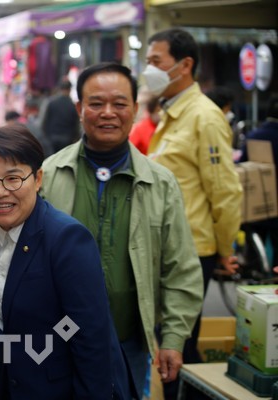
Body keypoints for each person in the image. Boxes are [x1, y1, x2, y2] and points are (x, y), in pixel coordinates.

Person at [40, 62, 203, 399]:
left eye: (119, 103)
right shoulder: (49, 174)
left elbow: (181, 267)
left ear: (134, 108)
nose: (108, 113)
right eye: (96, 103)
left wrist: (173, 338)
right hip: (56, 337)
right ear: (79, 109)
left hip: (129, 340)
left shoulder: (160, 183)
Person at [0, 124, 132, 399]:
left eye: (13, 178)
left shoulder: (66, 239)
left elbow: (90, 339)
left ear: (38, 178)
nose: (0, 192)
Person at [145, 28, 242, 395]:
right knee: (173, 342)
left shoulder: (204, 116)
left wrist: (225, 249)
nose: (149, 69)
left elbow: (225, 190)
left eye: (156, 61)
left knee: (177, 343)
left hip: (192, 249)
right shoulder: (173, 114)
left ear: (184, 65)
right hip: (169, 244)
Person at [239, 96, 278, 266]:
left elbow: (243, 165)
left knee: (255, 244)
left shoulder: (254, 135)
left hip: (258, 204)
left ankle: (252, 273)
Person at [41, 79, 81, 153]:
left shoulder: (52, 103)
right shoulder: (72, 106)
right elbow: (76, 126)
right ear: (70, 89)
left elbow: (44, 122)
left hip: (52, 138)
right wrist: (76, 138)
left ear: (60, 89)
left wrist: (46, 136)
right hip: (67, 140)